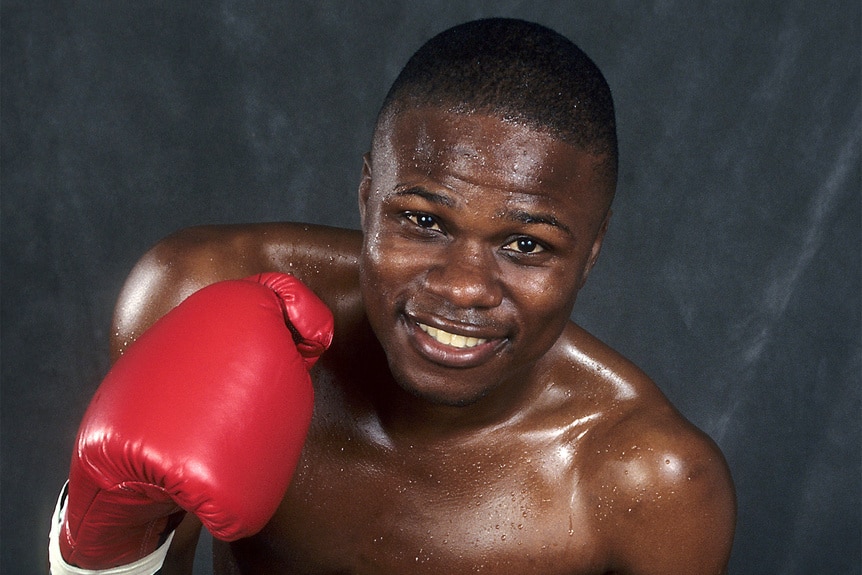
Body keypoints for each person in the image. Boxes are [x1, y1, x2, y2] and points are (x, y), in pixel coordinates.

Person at [49, 18, 736, 575]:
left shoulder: (649, 483)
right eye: (425, 221)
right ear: (367, 194)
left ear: (589, 253)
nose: (463, 285)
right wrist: (112, 548)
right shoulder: (200, 288)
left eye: (526, 245)